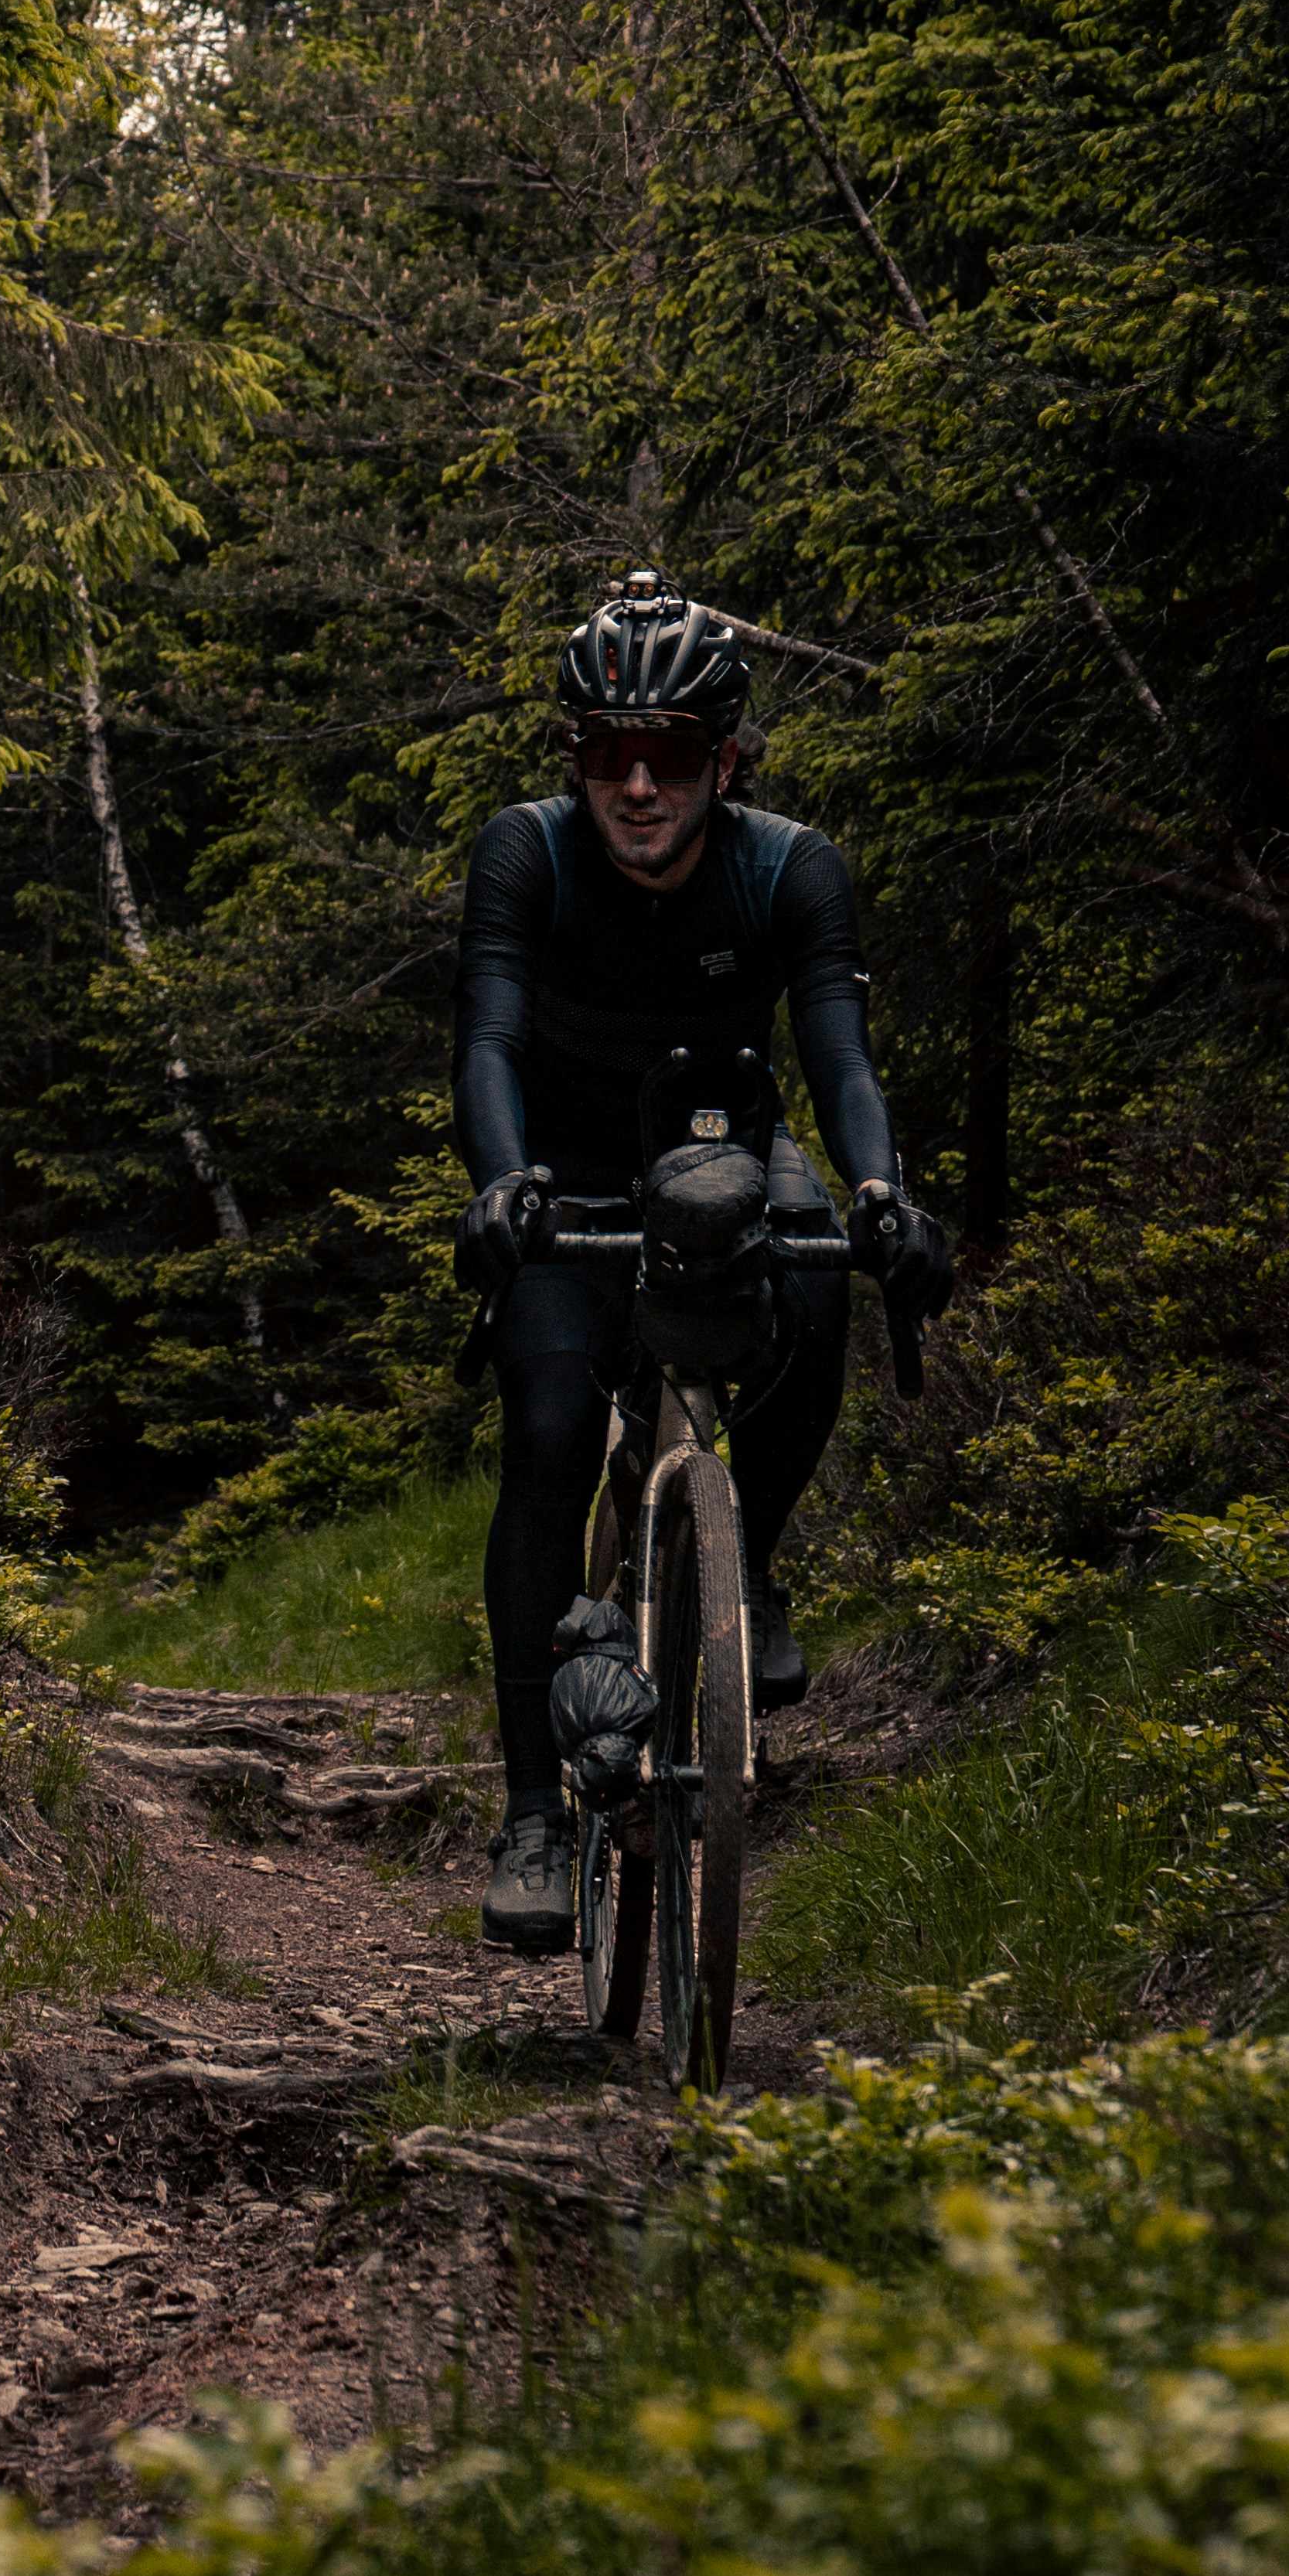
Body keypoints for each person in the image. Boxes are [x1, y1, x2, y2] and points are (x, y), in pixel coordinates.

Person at [448, 574, 953, 1954]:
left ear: (725, 760)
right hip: (564, 1169)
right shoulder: (526, 856)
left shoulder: (791, 866)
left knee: (817, 1282)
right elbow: (486, 1041)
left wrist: (879, 1195)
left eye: (667, 752)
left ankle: (756, 1565)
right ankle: (537, 1822)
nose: (634, 783)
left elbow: (840, 1056)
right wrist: (501, 1186)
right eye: (604, 751)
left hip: (729, 1162)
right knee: (548, 1426)